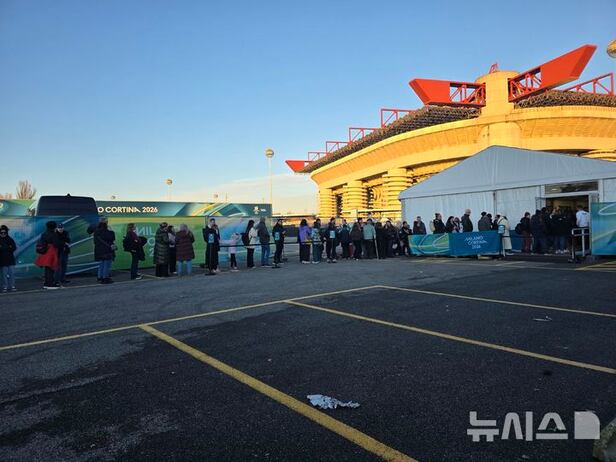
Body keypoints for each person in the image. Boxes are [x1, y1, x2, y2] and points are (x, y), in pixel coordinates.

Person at [35, 221, 61, 289]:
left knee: (47, 268)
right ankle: (50, 284)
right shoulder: (54, 234)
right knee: (51, 268)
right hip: (51, 251)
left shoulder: (44, 234)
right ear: (54, 227)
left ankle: (47, 283)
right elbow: (56, 244)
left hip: (45, 252)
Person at [93, 218, 116, 284]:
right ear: (106, 223)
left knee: (101, 264)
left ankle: (99, 277)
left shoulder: (96, 231)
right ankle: (105, 278)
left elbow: (95, 241)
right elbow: (112, 238)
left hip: (98, 251)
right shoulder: (108, 231)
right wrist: (111, 230)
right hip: (106, 250)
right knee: (107, 264)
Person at [0, 225, 17, 293]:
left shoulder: (10, 239)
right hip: (2, 260)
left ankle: (12, 286)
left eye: (4, 233)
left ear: (6, 232)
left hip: (10, 259)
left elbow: (14, 248)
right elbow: (11, 248)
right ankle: (5, 286)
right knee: (3, 274)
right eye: (1, 233)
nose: (3, 234)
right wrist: (8, 247)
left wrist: (3, 247)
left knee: (12, 273)